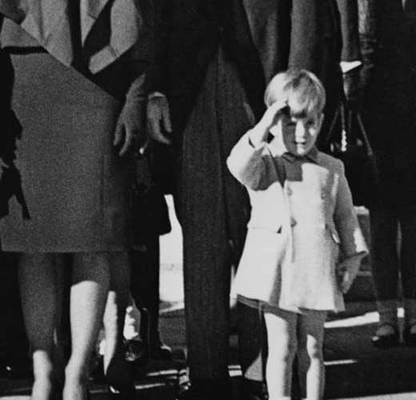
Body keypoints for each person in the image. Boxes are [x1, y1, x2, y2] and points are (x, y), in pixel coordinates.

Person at [146, 1, 361, 398]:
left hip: (268, 84)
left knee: (268, 234)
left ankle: (263, 374)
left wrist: (297, 95)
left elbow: (306, 11)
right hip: (190, 83)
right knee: (203, 232)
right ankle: (206, 373)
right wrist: (155, 86)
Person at [0, 1, 149, 399]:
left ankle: (78, 371)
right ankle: (43, 364)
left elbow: (144, 13)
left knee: (91, 236)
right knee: (33, 243)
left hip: (101, 80)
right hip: (24, 75)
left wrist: (138, 96)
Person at [227, 69, 368, 400]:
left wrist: (352, 257)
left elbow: (345, 216)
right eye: (290, 122)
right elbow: (237, 165)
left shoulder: (332, 168)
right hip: (276, 273)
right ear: (275, 123)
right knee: (282, 347)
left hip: (315, 268)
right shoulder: (264, 164)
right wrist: (264, 126)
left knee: (313, 346)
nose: (301, 133)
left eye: (310, 123)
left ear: (321, 120)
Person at [356, 0, 416, 348]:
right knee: (382, 221)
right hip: (378, 114)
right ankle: (386, 318)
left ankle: (412, 314)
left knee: (413, 222)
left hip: (409, 117)